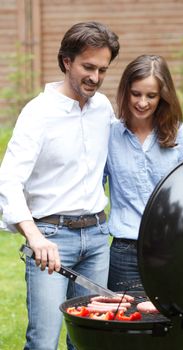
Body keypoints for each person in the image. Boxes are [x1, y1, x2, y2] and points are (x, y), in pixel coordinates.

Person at [0, 21, 120, 350]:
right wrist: (35, 237)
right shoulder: (38, 113)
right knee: (43, 342)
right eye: (88, 67)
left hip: (96, 237)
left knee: (89, 340)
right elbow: (8, 179)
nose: (95, 78)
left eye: (102, 70)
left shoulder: (103, 108)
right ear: (67, 61)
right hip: (51, 240)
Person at [104, 54, 183, 292]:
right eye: (136, 94)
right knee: (126, 325)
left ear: (162, 96)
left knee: (169, 326)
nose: (142, 102)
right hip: (125, 252)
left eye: (151, 96)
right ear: (126, 91)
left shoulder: (180, 134)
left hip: (170, 249)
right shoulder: (110, 134)